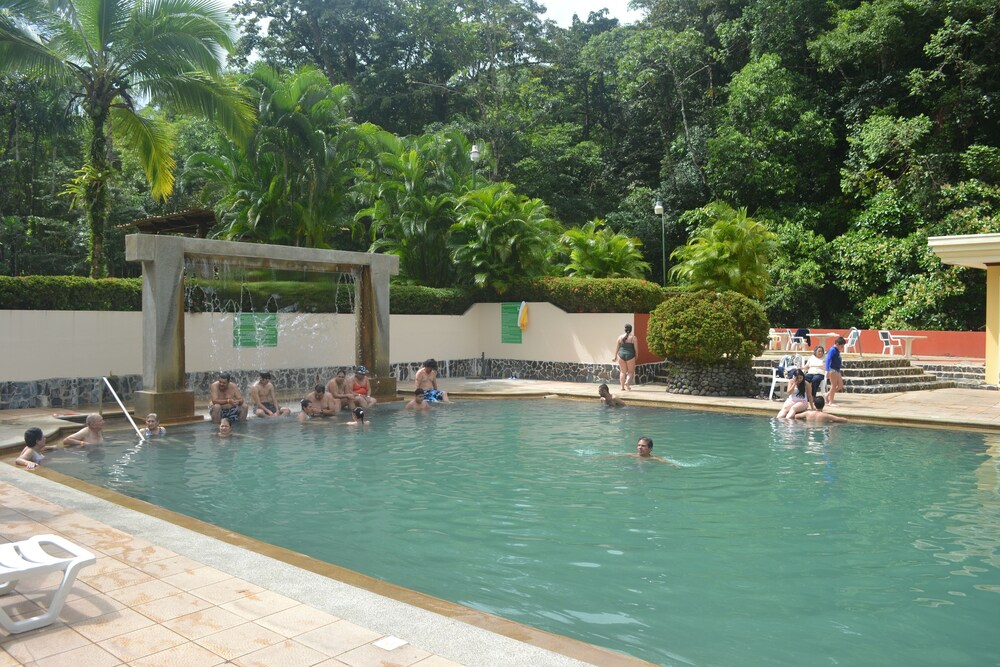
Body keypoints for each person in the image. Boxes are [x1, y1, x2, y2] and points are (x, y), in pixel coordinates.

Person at [613, 324, 638, 391]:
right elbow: (636, 349)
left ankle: (622, 387)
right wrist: (637, 356)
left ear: (625, 329)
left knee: (622, 372)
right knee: (630, 372)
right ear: (631, 329)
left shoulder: (620, 337)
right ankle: (627, 383)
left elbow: (617, 348)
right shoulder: (633, 338)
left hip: (621, 355)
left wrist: (615, 356)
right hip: (630, 355)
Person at [825, 336, 846, 407]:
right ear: (837, 344)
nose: (842, 347)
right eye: (841, 346)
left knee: (840, 385)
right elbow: (828, 360)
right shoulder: (832, 350)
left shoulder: (837, 350)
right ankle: (830, 402)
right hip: (832, 370)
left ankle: (827, 394)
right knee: (833, 386)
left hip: (837, 370)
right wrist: (827, 370)